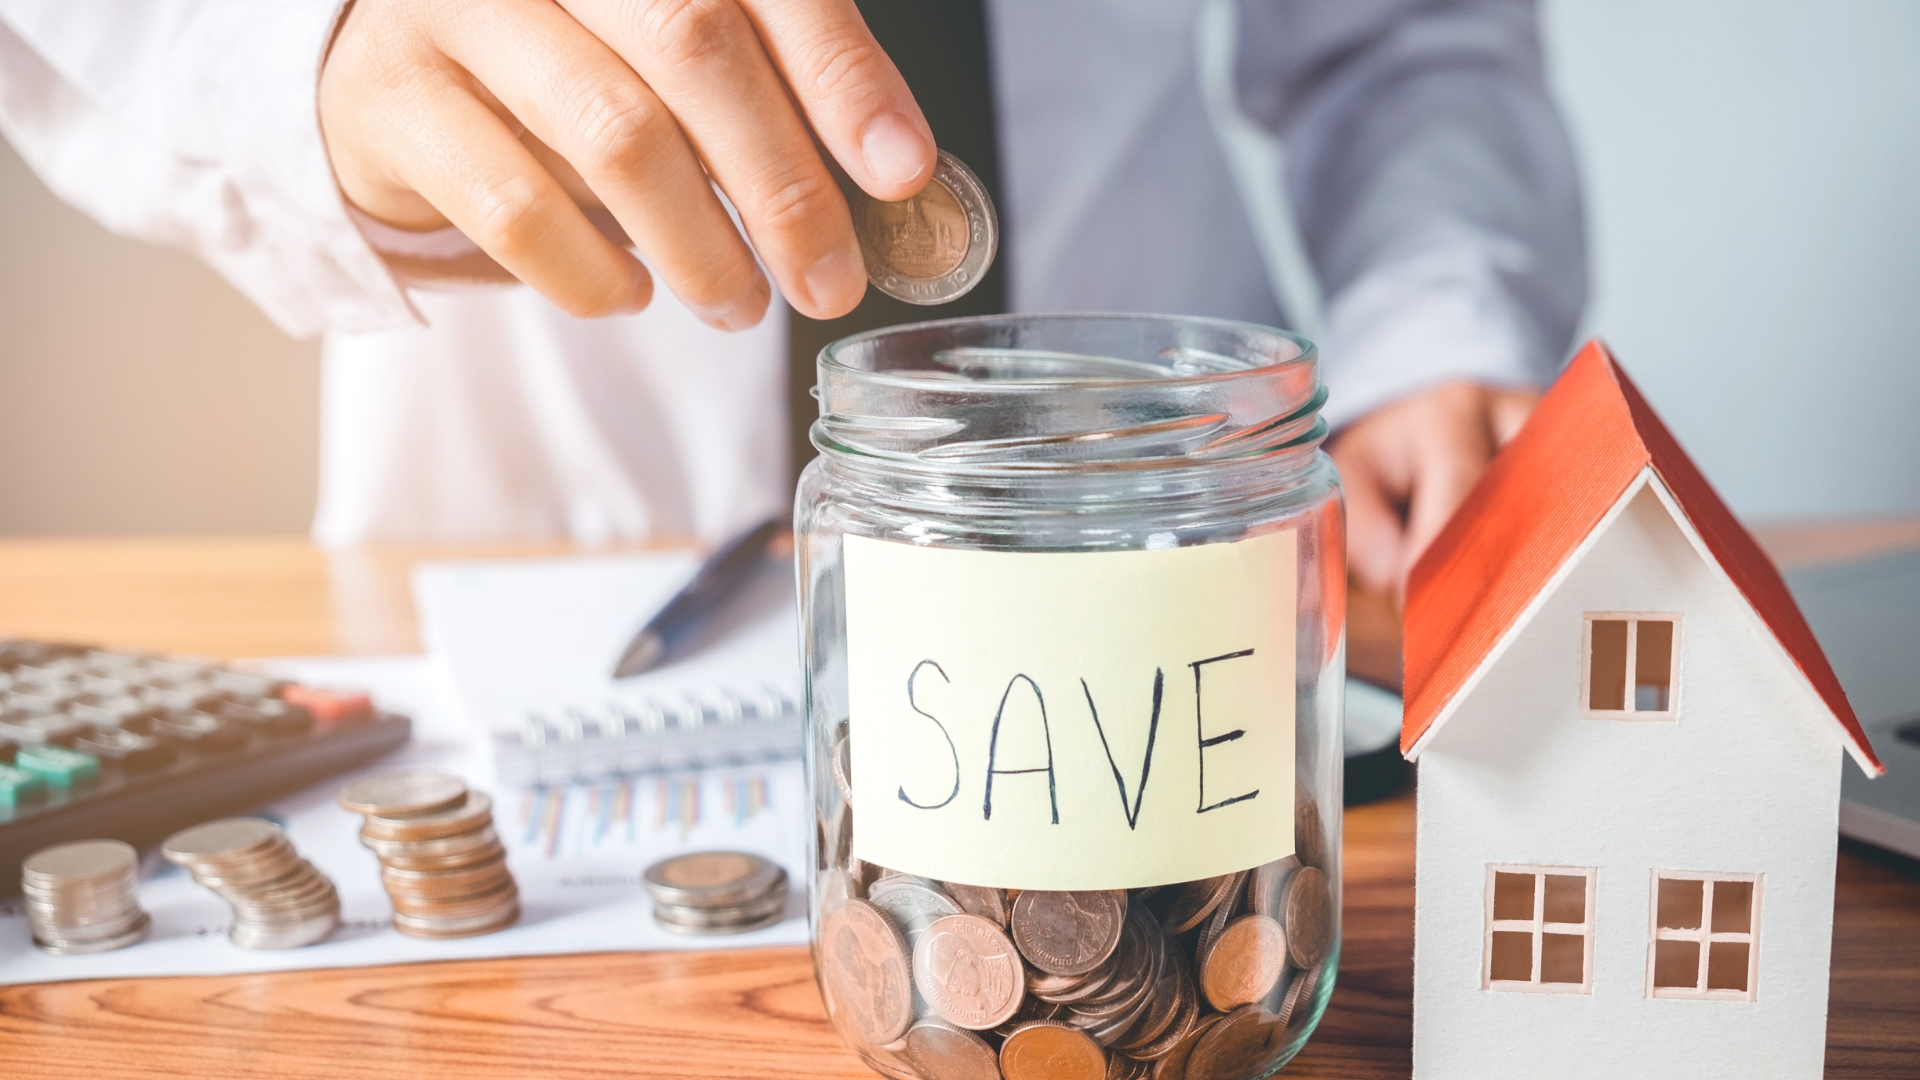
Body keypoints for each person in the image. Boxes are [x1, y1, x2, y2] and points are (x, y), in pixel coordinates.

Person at [0, 0, 1583, 599]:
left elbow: (1405, 35)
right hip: (549, 524)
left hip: (1166, 512)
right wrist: (311, 48)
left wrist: (1430, 326)